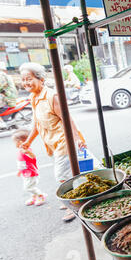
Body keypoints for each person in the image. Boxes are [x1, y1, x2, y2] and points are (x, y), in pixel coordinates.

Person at [19, 62, 86, 222]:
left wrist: (77, 139)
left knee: (62, 176)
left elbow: (67, 119)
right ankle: (75, 198)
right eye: (23, 80)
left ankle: (74, 207)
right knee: (69, 175)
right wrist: (28, 141)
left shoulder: (52, 96)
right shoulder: (33, 97)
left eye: (29, 79)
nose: (26, 83)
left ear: (41, 79)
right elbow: (36, 123)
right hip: (51, 143)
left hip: (64, 141)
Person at [13, 129, 47, 206]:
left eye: (15, 142)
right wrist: (19, 171)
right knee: (29, 186)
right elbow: (21, 162)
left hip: (31, 173)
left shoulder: (26, 150)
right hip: (25, 173)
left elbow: (33, 157)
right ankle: (34, 197)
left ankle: (41, 195)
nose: (14, 144)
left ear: (20, 142)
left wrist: (28, 152)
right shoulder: (20, 150)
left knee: (28, 187)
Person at [0, 61, 18, 129]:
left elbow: (1, 87)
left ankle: (1, 123)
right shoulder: (4, 75)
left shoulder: (1, 75)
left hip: (8, 96)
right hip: (7, 95)